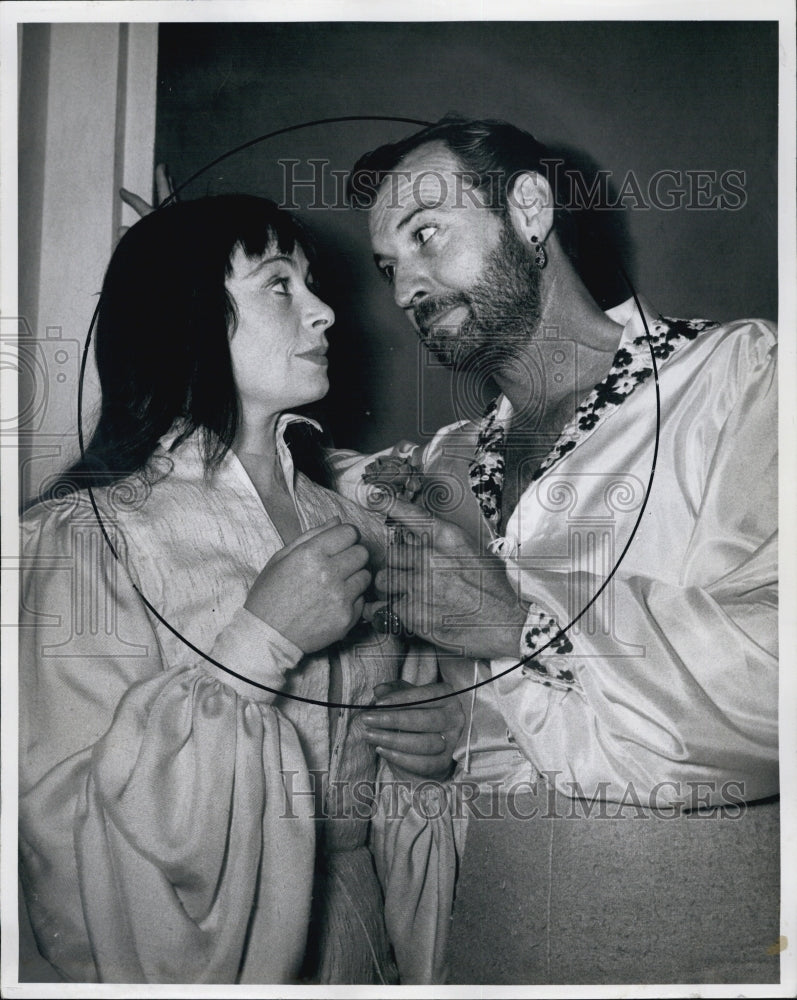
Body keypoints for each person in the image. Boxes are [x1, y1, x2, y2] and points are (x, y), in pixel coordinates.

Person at [18, 194, 463, 985]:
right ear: (185, 318)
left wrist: (431, 746)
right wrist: (257, 640)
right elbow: (66, 834)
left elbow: (389, 771)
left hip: (363, 952)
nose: (325, 311)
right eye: (278, 285)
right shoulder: (95, 535)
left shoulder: (361, 528)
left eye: (312, 284)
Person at [333, 115, 778, 808]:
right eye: (388, 267)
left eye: (425, 234)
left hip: (692, 898)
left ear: (529, 211)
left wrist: (521, 626)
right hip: (494, 901)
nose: (403, 292)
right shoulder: (449, 462)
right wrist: (462, 723)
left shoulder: (736, 380)